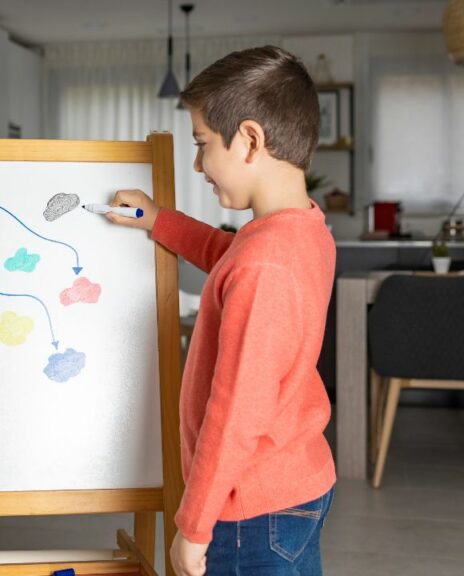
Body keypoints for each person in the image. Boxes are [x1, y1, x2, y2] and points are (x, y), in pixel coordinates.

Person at [107, 46, 336, 576]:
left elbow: (235, 414)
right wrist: (158, 218)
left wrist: (194, 525)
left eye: (202, 144)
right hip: (293, 485)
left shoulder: (264, 265)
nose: (196, 164)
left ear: (250, 139)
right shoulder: (300, 229)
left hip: (249, 509)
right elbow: (227, 254)